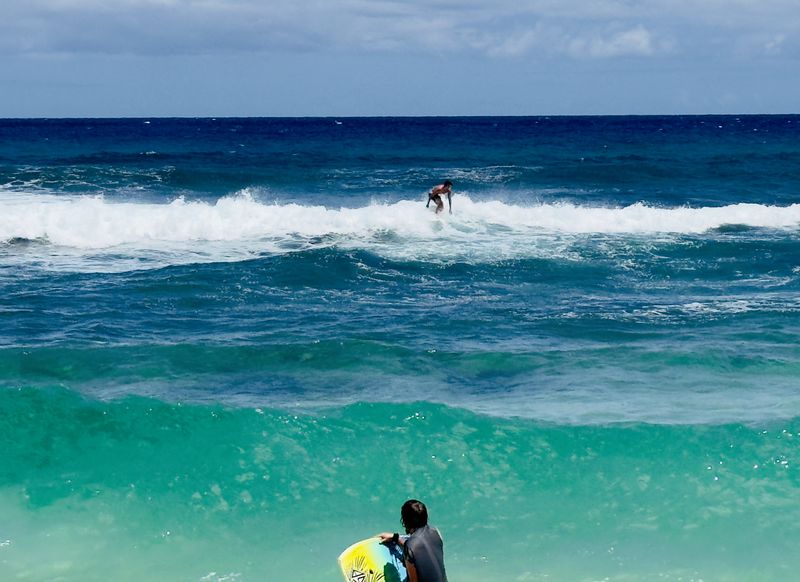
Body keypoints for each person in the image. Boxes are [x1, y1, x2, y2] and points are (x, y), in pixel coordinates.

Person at [379, 499, 448, 582]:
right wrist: (396, 537)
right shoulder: (436, 532)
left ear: (405, 520)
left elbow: (413, 581)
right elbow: (420, 548)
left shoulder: (410, 548)